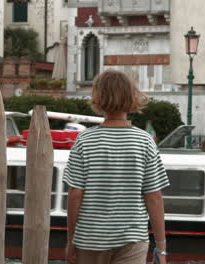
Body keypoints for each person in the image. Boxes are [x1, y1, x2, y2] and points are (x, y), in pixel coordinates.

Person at [64, 69, 170, 264]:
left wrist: (71, 239)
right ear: (132, 97)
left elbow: (75, 194)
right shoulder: (144, 141)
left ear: (98, 98)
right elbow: (153, 196)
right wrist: (161, 247)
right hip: (132, 239)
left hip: (89, 239)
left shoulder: (84, 140)